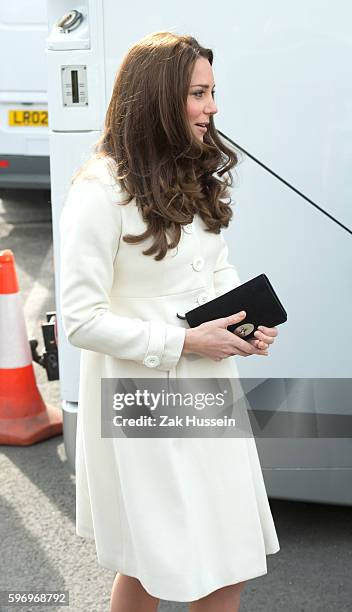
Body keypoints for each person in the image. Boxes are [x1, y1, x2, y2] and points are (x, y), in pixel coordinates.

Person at [59, 31, 280, 612]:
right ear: (159, 98)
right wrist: (182, 341)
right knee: (185, 564)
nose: (213, 106)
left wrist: (242, 320)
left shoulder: (191, 172)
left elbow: (216, 269)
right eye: (199, 93)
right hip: (142, 401)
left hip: (206, 386)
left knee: (188, 563)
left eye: (213, 92)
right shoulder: (98, 191)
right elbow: (80, 320)